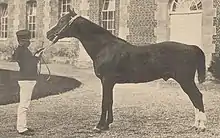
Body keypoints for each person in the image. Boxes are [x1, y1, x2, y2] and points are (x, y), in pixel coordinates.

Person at [12, 29, 42, 136]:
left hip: (27, 79)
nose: (28, 42)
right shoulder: (22, 51)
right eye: (26, 40)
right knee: (24, 105)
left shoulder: (23, 50)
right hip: (26, 80)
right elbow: (28, 65)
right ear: (22, 41)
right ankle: (21, 128)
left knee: (25, 104)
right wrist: (37, 58)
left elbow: (28, 61)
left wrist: (35, 57)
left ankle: (22, 125)